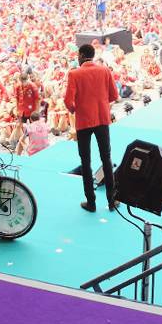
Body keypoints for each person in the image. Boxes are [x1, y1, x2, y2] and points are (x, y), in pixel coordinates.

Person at [64, 44, 119, 212]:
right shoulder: (104, 70)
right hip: (102, 119)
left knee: (86, 162)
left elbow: (68, 101)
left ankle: (91, 202)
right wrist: (100, 105)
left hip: (83, 122)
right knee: (106, 159)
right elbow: (114, 96)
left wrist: (76, 110)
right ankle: (112, 200)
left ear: (81, 55)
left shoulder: (74, 74)